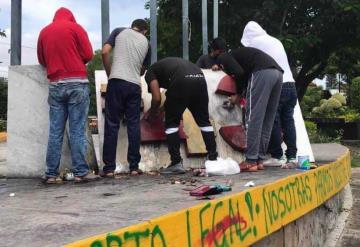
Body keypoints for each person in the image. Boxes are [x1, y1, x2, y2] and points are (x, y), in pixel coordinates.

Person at [37, 7, 99, 183]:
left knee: (55, 131)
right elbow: (88, 54)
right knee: (77, 130)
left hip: (55, 85)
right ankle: (81, 172)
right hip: (77, 83)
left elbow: (42, 60)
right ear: (71, 17)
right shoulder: (76, 28)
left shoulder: (44, 31)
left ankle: (51, 174)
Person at [145, 57, 218, 174]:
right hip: (199, 78)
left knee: (171, 124)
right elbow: (175, 98)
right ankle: (214, 159)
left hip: (181, 80)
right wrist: (163, 109)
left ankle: (176, 163)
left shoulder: (149, 72)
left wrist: (152, 112)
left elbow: (157, 98)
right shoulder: (168, 66)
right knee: (204, 122)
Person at [241, 21, 298, 167]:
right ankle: (292, 156)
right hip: (290, 83)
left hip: (277, 84)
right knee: (288, 120)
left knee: (271, 119)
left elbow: (250, 63)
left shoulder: (255, 42)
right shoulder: (275, 40)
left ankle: (277, 155)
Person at [217, 47, 283, 172]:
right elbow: (242, 73)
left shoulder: (223, 57)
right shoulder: (241, 55)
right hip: (278, 74)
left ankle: (250, 161)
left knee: (253, 118)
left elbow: (239, 73)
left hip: (261, 72)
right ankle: (259, 160)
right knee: (266, 120)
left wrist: (238, 94)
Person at [101, 19, 151, 177]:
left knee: (112, 124)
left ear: (132, 26)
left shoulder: (118, 31)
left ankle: (109, 169)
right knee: (134, 125)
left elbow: (104, 52)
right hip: (134, 86)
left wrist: (110, 74)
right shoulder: (147, 43)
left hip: (116, 82)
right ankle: (134, 167)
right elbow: (142, 70)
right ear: (145, 31)